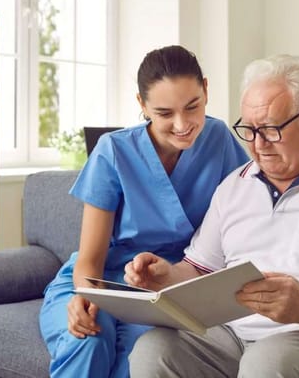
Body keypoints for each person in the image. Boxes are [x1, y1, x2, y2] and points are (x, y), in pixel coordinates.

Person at [125, 54, 299, 378]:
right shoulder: (234, 186)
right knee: (154, 350)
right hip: (231, 335)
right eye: (248, 129)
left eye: (272, 129)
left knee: (266, 364)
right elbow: (200, 268)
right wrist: (166, 278)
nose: (258, 145)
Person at [39, 45, 249, 378]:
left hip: (168, 290)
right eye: (165, 113)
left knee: (143, 358)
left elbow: (249, 214)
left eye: (192, 106)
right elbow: (89, 261)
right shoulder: (114, 151)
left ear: (206, 90)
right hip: (99, 280)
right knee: (89, 340)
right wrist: (85, 295)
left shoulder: (220, 139)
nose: (182, 124)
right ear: (142, 105)